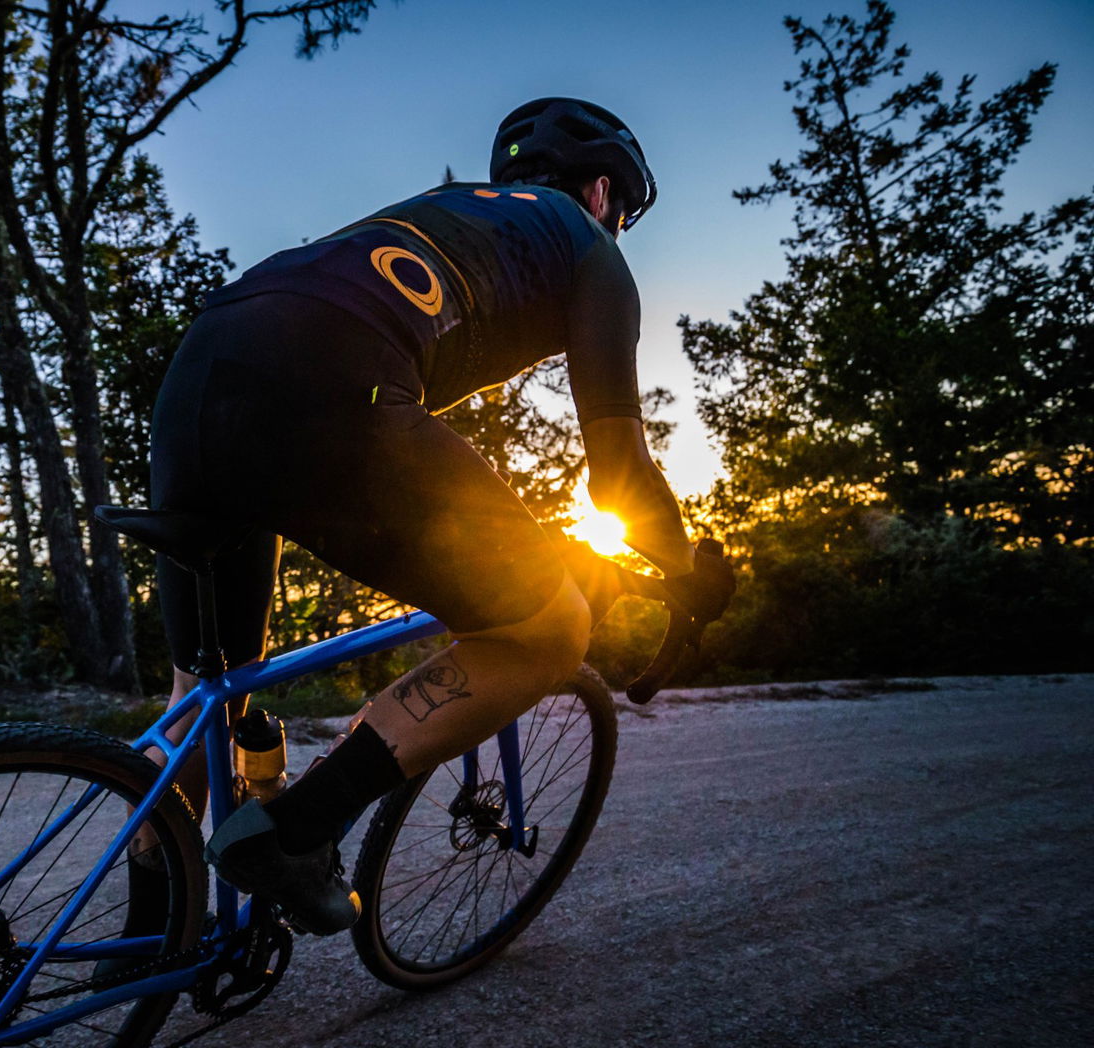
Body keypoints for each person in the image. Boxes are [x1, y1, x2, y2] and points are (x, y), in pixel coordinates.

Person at [145, 98, 734, 935]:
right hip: (328, 372)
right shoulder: (592, 249)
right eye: (623, 215)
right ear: (603, 193)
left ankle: (144, 942)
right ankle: (294, 831)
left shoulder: (449, 214)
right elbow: (621, 477)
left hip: (201, 367)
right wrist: (685, 570)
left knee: (202, 691)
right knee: (550, 631)